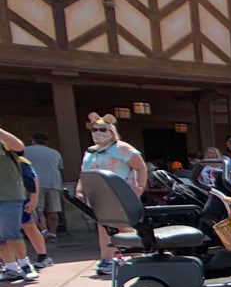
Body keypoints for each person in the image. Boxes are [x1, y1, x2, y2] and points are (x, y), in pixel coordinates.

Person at [76, 113, 147, 277]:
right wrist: (80, 190)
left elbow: (140, 167)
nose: (97, 132)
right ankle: (107, 258)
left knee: (121, 224)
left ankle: (139, 255)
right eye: (94, 129)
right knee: (103, 225)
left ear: (111, 131)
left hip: (119, 191)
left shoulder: (122, 149)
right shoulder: (90, 152)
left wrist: (139, 187)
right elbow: (84, 173)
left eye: (102, 129)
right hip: (97, 193)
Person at [0, 123, 36, 282]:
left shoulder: (4, 144)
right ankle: (10, 267)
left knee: (11, 232)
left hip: (10, 195)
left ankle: (25, 264)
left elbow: (19, 146)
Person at [22, 132, 64, 240]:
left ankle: (44, 231)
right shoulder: (55, 153)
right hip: (54, 184)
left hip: (35, 184)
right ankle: (53, 233)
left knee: (37, 210)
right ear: (47, 142)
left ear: (33, 140)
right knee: (53, 211)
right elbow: (60, 167)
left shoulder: (25, 151)